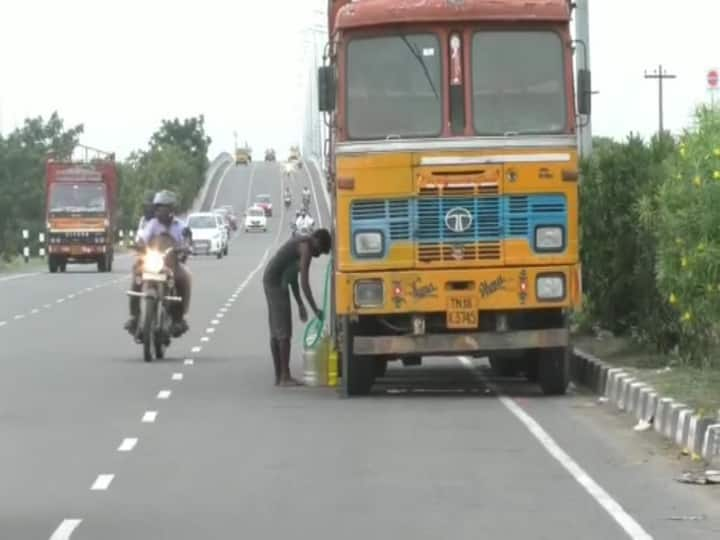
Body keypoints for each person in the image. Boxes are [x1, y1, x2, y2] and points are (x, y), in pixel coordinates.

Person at [262, 228, 332, 386]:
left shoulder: (301, 243)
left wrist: (300, 303)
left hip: (274, 280)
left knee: (276, 330)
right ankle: (284, 376)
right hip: (275, 283)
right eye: (320, 251)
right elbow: (304, 283)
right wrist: (315, 309)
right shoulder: (305, 249)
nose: (318, 255)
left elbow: (292, 277)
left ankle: (279, 376)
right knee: (283, 331)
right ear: (317, 241)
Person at [124, 190, 192, 337]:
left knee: (184, 278)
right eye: (159, 207)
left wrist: (185, 246)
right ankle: (134, 318)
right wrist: (139, 245)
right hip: (152, 261)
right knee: (137, 275)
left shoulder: (180, 226)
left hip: (172, 264)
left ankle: (179, 319)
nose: (161, 211)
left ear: (172, 209)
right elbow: (143, 238)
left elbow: (186, 239)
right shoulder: (152, 224)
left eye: (165, 207)